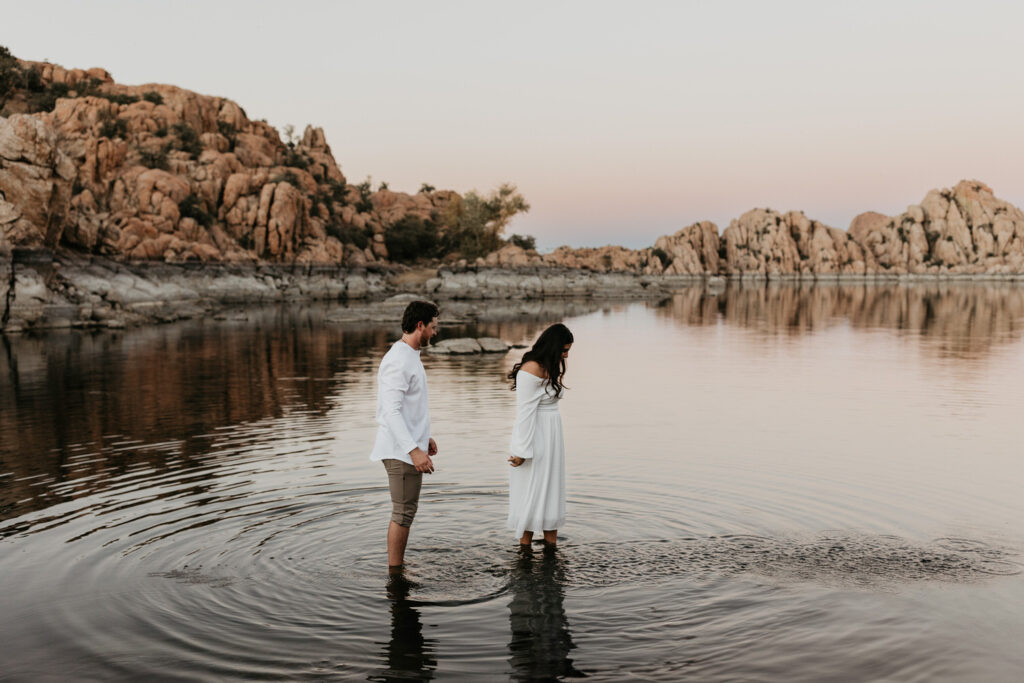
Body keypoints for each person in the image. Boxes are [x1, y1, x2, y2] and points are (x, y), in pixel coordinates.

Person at [370, 300, 440, 573]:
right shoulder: (398, 359)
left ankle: (398, 567)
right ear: (420, 325)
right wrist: (414, 450)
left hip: (408, 446)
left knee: (406, 512)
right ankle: (395, 574)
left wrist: (425, 437)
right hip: (400, 452)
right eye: (432, 328)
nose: (435, 333)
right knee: (402, 513)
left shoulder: (410, 355)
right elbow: (391, 412)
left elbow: (410, 407)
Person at [506, 323, 574, 547]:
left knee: (551, 489)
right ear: (553, 346)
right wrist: (521, 451)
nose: (566, 355)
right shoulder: (530, 368)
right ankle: (524, 551)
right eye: (564, 350)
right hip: (535, 436)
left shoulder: (551, 364)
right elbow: (525, 413)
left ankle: (551, 546)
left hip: (552, 437)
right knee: (531, 490)